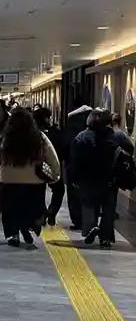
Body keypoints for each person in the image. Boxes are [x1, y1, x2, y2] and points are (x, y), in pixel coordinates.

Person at [0, 108, 60, 247]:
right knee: (32, 207)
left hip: (8, 180)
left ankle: (12, 235)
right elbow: (52, 156)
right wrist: (55, 175)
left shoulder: (4, 138)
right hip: (34, 180)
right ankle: (28, 225)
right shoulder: (39, 137)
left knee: (9, 210)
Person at [69, 108, 134, 247]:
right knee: (109, 208)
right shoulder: (118, 136)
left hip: (88, 179)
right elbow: (129, 149)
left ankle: (91, 227)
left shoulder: (82, 136)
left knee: (88, 205)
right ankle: (106, 237)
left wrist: (73, 177)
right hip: (110, 179)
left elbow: (75, 158)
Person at [33, 107, 67, 225]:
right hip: (52, 166)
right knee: (59, 190)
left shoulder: (33, 133)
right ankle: (51, 212)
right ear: (47, 118)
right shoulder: (55, 132)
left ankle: (41, 215)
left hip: (35, 167)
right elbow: (63, 148)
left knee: (38, 192)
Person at [63, 97, 93, 229]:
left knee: (74, 196)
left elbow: (67, 145)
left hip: (74, 165)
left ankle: (78, 221)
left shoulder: (72, 122)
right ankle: (90, 223)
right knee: (90, 196)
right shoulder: (94, 121)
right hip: (93, 168)